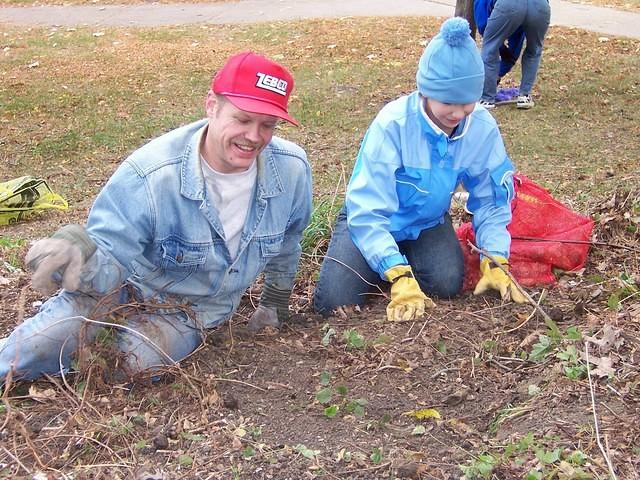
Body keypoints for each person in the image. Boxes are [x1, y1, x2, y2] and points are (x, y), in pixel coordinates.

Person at [0, 51, 312, 383]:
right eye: (242, 119)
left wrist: (274, 303)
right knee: (40, 344)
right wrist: (80, 252)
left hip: (193, 312)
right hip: (122, 287)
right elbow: (110, 259)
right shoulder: (150, 175)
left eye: (267, 125)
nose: (254, 136)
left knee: (137, 363)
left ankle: (89, 362)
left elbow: (288, 241)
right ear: (212, 106)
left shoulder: (291, 170)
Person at [313, 17, 526, 322]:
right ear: (425, 91)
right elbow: (368, 208)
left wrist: (495, 257)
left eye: (467, 103)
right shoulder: (392, 125)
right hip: (373, 221)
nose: (458, 113)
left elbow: (492, 199)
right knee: (333, 303)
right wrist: (398, 274)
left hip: (427, 222)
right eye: (448, 102)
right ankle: (388, 263)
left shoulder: (481, 126)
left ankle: (391, 264)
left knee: (447, 284)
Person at [475, 0, 551, 110]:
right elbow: (513, 50)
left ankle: (487, 100)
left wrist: (496, 73)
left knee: (490, 48)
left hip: (509, 4)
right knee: (534, 50)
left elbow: (483, 25)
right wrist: (500, 71)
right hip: (540, 5)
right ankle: (524, 96)